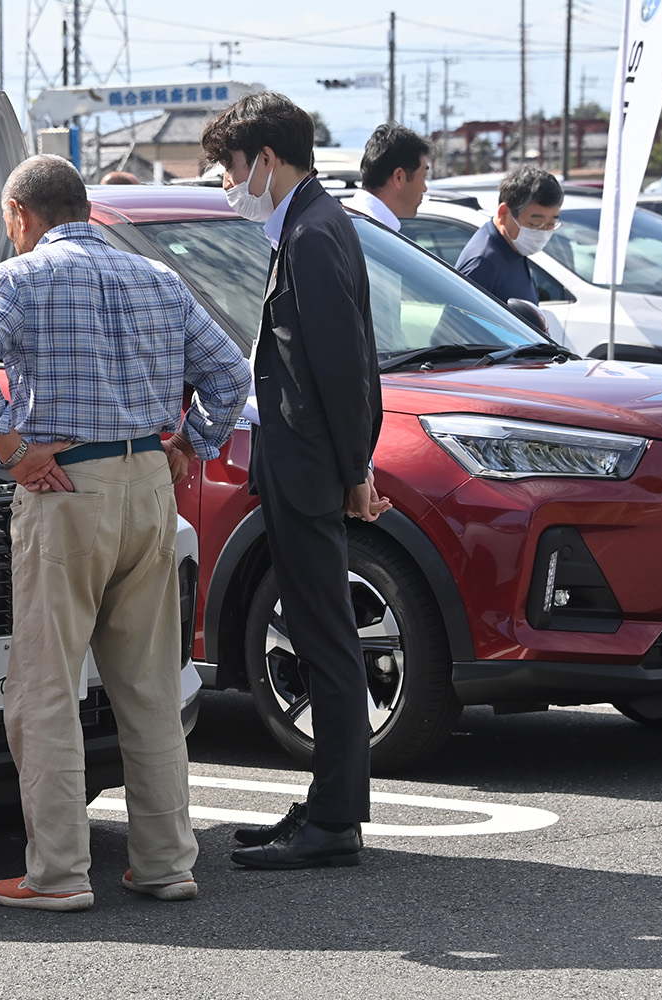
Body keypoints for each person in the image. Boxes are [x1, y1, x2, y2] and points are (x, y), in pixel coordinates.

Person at [0, 154, 250, 911]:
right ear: (83, 207)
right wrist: (188, 445)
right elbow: (230, 375)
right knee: (147, 686)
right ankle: (166, 863)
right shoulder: (159, 280)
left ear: (21, 216)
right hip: (149, 487)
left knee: (47, 690)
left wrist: (13, 450)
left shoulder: (19, 279)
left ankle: (56, 874)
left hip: (67, 488)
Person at [199, 92, 390, 870]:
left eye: (229, 168)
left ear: (267, 162)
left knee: (324, 639)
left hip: (313, 471)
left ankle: (334, 822)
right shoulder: (312, 224)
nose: (224, 184)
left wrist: (353, 471)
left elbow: (344, 370)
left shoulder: (312, 233)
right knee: (320, 635)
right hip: (307, 465)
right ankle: (324, 806)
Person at [453, 164, 563, 305]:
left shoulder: (514, 248)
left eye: (551, 224)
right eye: (535, 224)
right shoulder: (482, 264)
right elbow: (455, 323)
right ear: (504, 213)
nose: (543, 232)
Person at [348, 124, 431, 231]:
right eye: (423, 177)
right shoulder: (368, 233)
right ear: (399, 177)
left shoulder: (350, 221)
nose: (425, 188)